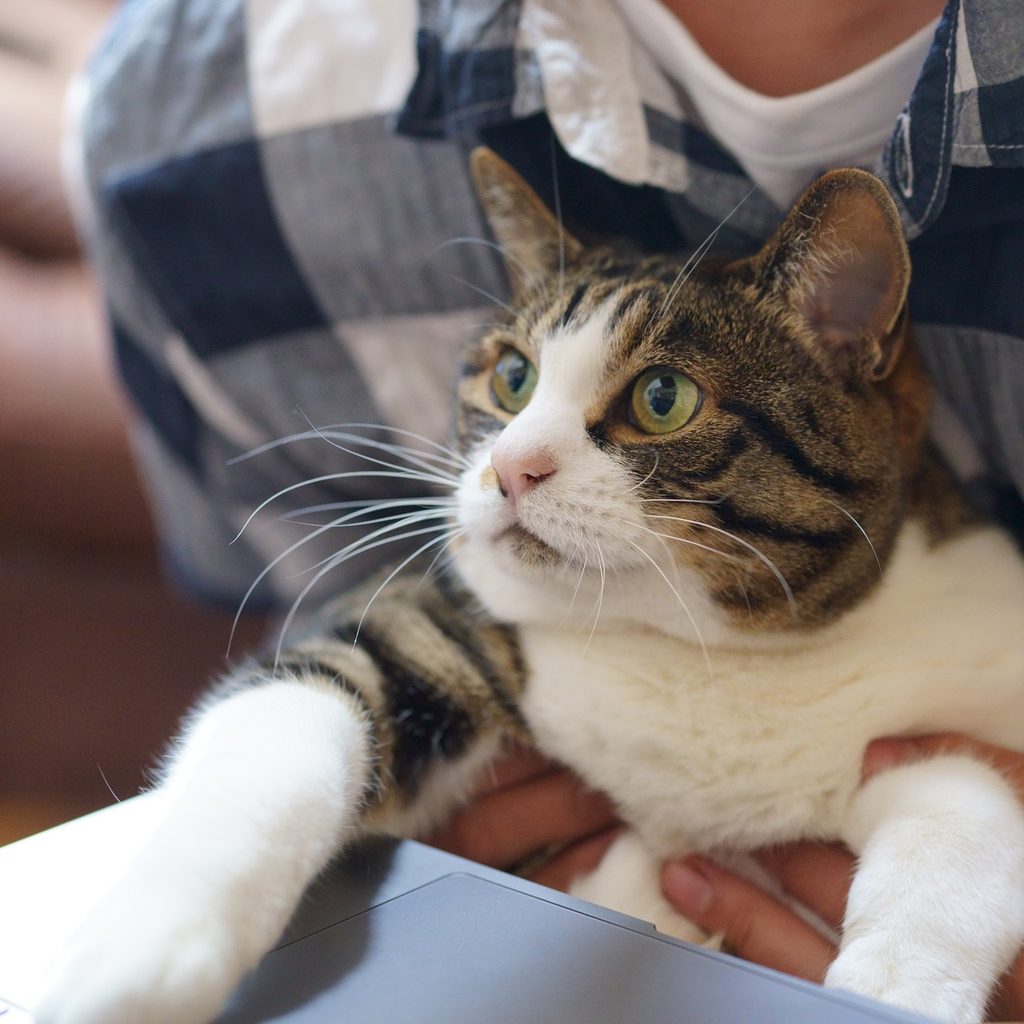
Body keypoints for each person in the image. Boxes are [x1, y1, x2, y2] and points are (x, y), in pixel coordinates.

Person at [69, 0, 1024, 1015]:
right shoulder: (177, 113)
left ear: (847, 356)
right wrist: (187, 909)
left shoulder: (962, 637)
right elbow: (316, 701)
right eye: (513, 382)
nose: (517, 458)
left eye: (660, 398)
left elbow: (956, 811)